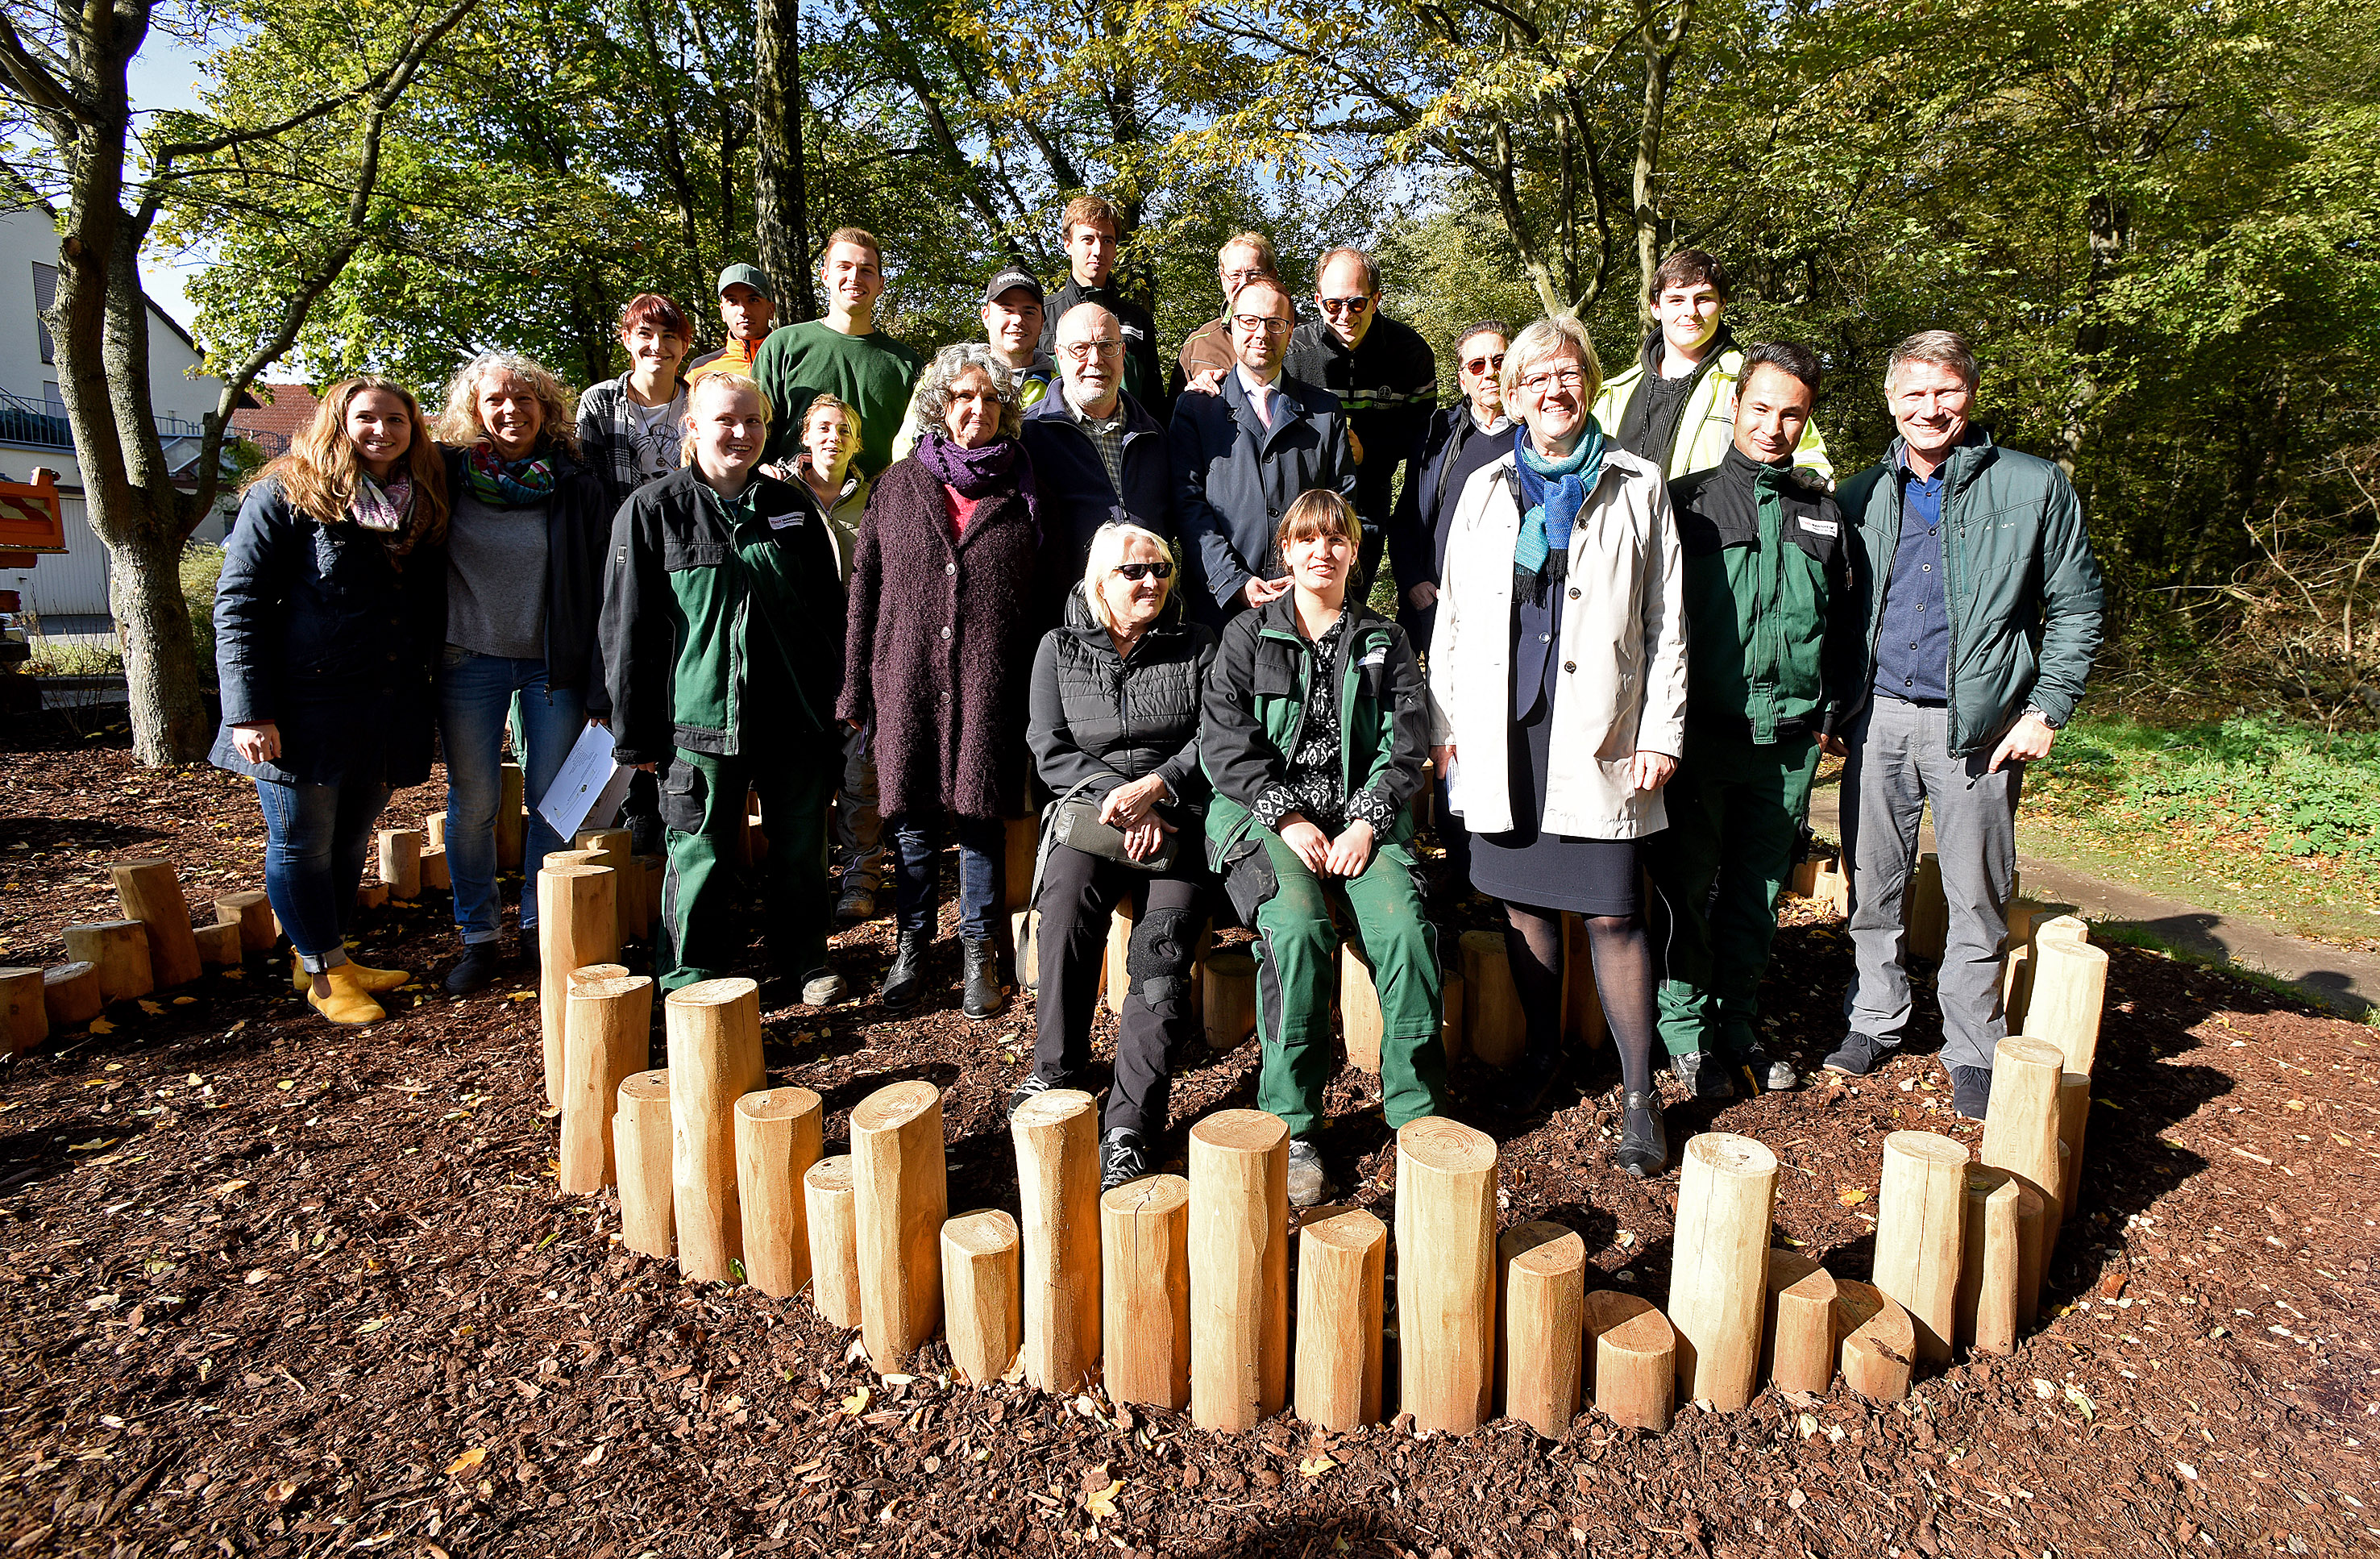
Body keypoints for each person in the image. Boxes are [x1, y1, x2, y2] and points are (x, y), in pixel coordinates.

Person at [1424, 314, 1687, 1178]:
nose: (1552, 391)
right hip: (1506, 730)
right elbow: (1454, 619)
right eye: (1535, 378)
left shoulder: (1637, 481)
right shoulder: (1488, 486)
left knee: (1614, 910)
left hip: (1601, 728)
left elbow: (1666, 623)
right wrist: (1447, 727)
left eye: (1568, 374)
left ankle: (1640, 1093)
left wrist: (1659, 732)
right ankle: (1544, 1054)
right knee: (1525, 905)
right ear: (1511, 391)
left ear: (1589, 381)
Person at [1829, 331, 2104, 1117]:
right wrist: (1832, 703)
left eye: (1944, 390)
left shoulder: (2031, 486)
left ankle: (1972, 1046)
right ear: (1890, 400)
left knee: (1975, 893)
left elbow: (2078, 606)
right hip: (1876, 716)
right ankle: (1874, 1017)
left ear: (1969, 395)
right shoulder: (1861, 494)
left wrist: (2046, 707)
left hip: (1978, 726)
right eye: (1913, 392)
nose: (1929, 407)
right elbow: (1838, 612)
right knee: (1871, 883)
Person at [1202, 489, 1443, 1208]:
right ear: (1286, 550)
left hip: (1361, 823)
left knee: (1405, 928)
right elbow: (1226, 745)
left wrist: (1367, 821)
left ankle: (1415, 1114)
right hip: (1265, 821)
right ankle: (1294, 1121)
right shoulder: (1246, 637)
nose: (1322, 552)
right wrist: (1286, 817)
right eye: (1307, 540)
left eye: (1336, 539)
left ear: (1353, 552)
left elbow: (1405, 746)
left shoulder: (1384, 640)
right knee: (1297, 931)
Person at [1640, 343, 1858, 1101]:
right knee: (1686, 892)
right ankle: (1684, 1036)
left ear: (1806, 419)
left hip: (1787, 748)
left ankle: (1739, 1028)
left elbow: (1845, 624)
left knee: (1756, 899)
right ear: (1734, 406)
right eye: (1760, 408)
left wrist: (1833, 708)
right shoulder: (1684, 502)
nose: (1773, 425)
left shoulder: (1823, 514)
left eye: (1790, 413)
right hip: (1699, 741)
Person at [600, 373, 846, 1001]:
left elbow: (832, 614)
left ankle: (805, 959)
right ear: (693, 427)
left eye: (753, 422)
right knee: (700, 851)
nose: (741, 434)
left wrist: (841, 704)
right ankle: (691, 972)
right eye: (725, 421)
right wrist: (636, 735)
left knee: (799, 852)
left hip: (795, 717)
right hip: (701, 718)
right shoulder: (653, 511)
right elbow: (626, 629)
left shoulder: (790, 509)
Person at [210, 378, 449, 1025]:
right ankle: (321, 974)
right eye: (365, 418)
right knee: (301, 843)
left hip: (382, 705)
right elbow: (240, 604)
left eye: (396, 419)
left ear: (413, 428)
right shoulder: (288, 493)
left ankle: (326, 954)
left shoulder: (419, 499)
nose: (381, 431)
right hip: (301, 706)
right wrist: (248, 711)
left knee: (347, 841)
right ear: (335, 424)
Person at [841, 343, 1042, 1018]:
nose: (976, 409)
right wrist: (853, 689)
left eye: (989, 398)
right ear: (939, 405)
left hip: (992, 683)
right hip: (907, 681)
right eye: (962, 397)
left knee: (980, 820)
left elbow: (1043, 595)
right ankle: (912, 947)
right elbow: (864, 586)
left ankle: (979, 951)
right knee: (913, 821)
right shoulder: (897, 485)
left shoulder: (1023, 487)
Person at [1012, 522, 1215, 1189]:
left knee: (1161, 954)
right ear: (1099, 583)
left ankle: (1130, 1123)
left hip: (1176, 819)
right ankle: (1056, 1067)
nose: (1152, 580)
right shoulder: (1059, 648)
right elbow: (1048, 744)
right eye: (1134, 571)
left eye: (1160, 568)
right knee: (1065, 908)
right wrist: (1120, 800)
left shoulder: (1195, 645)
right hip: (1093, 813)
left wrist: (1158, 791)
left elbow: (1217, 738)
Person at [431, 352, 616, 994]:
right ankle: (477, 935)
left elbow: (599, 589)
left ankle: (542, 925)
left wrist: (598, 681)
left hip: (551, 665)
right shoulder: (445, 475)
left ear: (547, 409)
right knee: (474, 802)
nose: (510, 411)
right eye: (496, 401)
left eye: (525, 399)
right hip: (467, 658)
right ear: (475, 411)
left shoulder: (575, 483)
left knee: (552, 801)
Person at [1171, 276, 1356, 630]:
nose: (1262, 333)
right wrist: (1234, 581)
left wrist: (1307, 577)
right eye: (1249, 321)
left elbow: (1342, 504)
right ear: (1231, 327)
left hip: (1308, 606)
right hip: (1220, 610)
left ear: (1290, 332)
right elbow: (1187, 505)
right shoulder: (1196, 409)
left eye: (1275, 323)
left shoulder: (1324, 411)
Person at [1591, 249, 1832, 484]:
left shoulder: (1753, 381)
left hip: (1717, 525)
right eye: (1677, 300)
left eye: (1703, 299)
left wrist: (1810, 477)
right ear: (1656, 307)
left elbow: (1808, 460)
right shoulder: (1614, 392)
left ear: (1722, 303)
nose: (1690, 312)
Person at [1283, 246, 1438, 597]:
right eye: (1333, 305)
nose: (1344, 316)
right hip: (1302, 501)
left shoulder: (1410, 353)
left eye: (1356, 304)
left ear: (1376, 298)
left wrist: (1370, 450)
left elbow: (1423, 436)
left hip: (1369, 500)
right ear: (1318, 300)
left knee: (1350, 603)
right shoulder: (1293, 351)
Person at [792, 393, 889, 926]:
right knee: (804, 773)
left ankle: (861, 872)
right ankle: (804, 877)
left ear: (856, 442)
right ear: (805, 436)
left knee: (861, 769)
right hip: (799, 656)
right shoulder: (778, 495)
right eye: (823, 427)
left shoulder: (874, 499)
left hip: (862, 653)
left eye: (844, 429)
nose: (833, 436)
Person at [1020, 302, 1172, 625]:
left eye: (1107, 346)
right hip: (1068, 624)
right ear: (1059, 356)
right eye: (1080, 349)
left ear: (1122, 353)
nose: (1095, 360)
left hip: (1151, 620)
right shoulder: (1030, 436)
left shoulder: (1154, 435)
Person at [754, 227, 924, 480]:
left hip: (879, 509)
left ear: (880, 284)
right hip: (792, 504)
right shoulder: (783, 346)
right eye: (843, 267)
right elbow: (753, 427)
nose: (855, 276)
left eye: (866, 270)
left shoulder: (907, 364)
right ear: (825, 275)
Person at [1391, 320, 1510, 654]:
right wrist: (1413, 583)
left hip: (1513, 618)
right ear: (1463, 379)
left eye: (1499, 361)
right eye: (1477, 365)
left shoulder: (1536, 438)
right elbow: (1405, 520)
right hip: (1440, 614)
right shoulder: (1438, 435)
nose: (1490, 373)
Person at [893, 266, 1056, 460]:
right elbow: (906, 450)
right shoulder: (942, 377)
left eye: (1029, 312)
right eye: (1007, 310)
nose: (1018, 320)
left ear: (1042, 322)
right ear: (985, 316)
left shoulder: (1058, 389)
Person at [1038, 194, 1166, 414]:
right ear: (1068, 244)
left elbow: (1154, 400)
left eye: (1107, 240)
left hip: (1127, 440)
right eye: (1088, 239)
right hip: (1059, 441)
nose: (1098, 250)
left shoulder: (1137, 319)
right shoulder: (1043, 316)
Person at [577, 293, 692, 516]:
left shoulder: (701, 404)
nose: (657, 346)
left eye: (669, 336)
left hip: (692, 534)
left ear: (684, 345)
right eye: (645, 334)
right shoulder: (600, 402)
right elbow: (590, 483)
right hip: (624, 534)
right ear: (628, 339)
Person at [1172, 232, 1277, 397]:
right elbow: (1173, 416)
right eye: (1235, 275)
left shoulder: (1302, 338)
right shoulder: (1198, 344)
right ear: (1223, 279)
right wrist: (1192, 395)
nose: (1243, 283)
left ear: (1272, 276)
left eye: (1253, 274)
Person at [685, 264, 777, 385]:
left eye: (753, 300)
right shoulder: (700, 371)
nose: (743, 311)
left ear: (770, 310)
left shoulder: (793, 361)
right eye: (732, 301)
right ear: (722, 311)